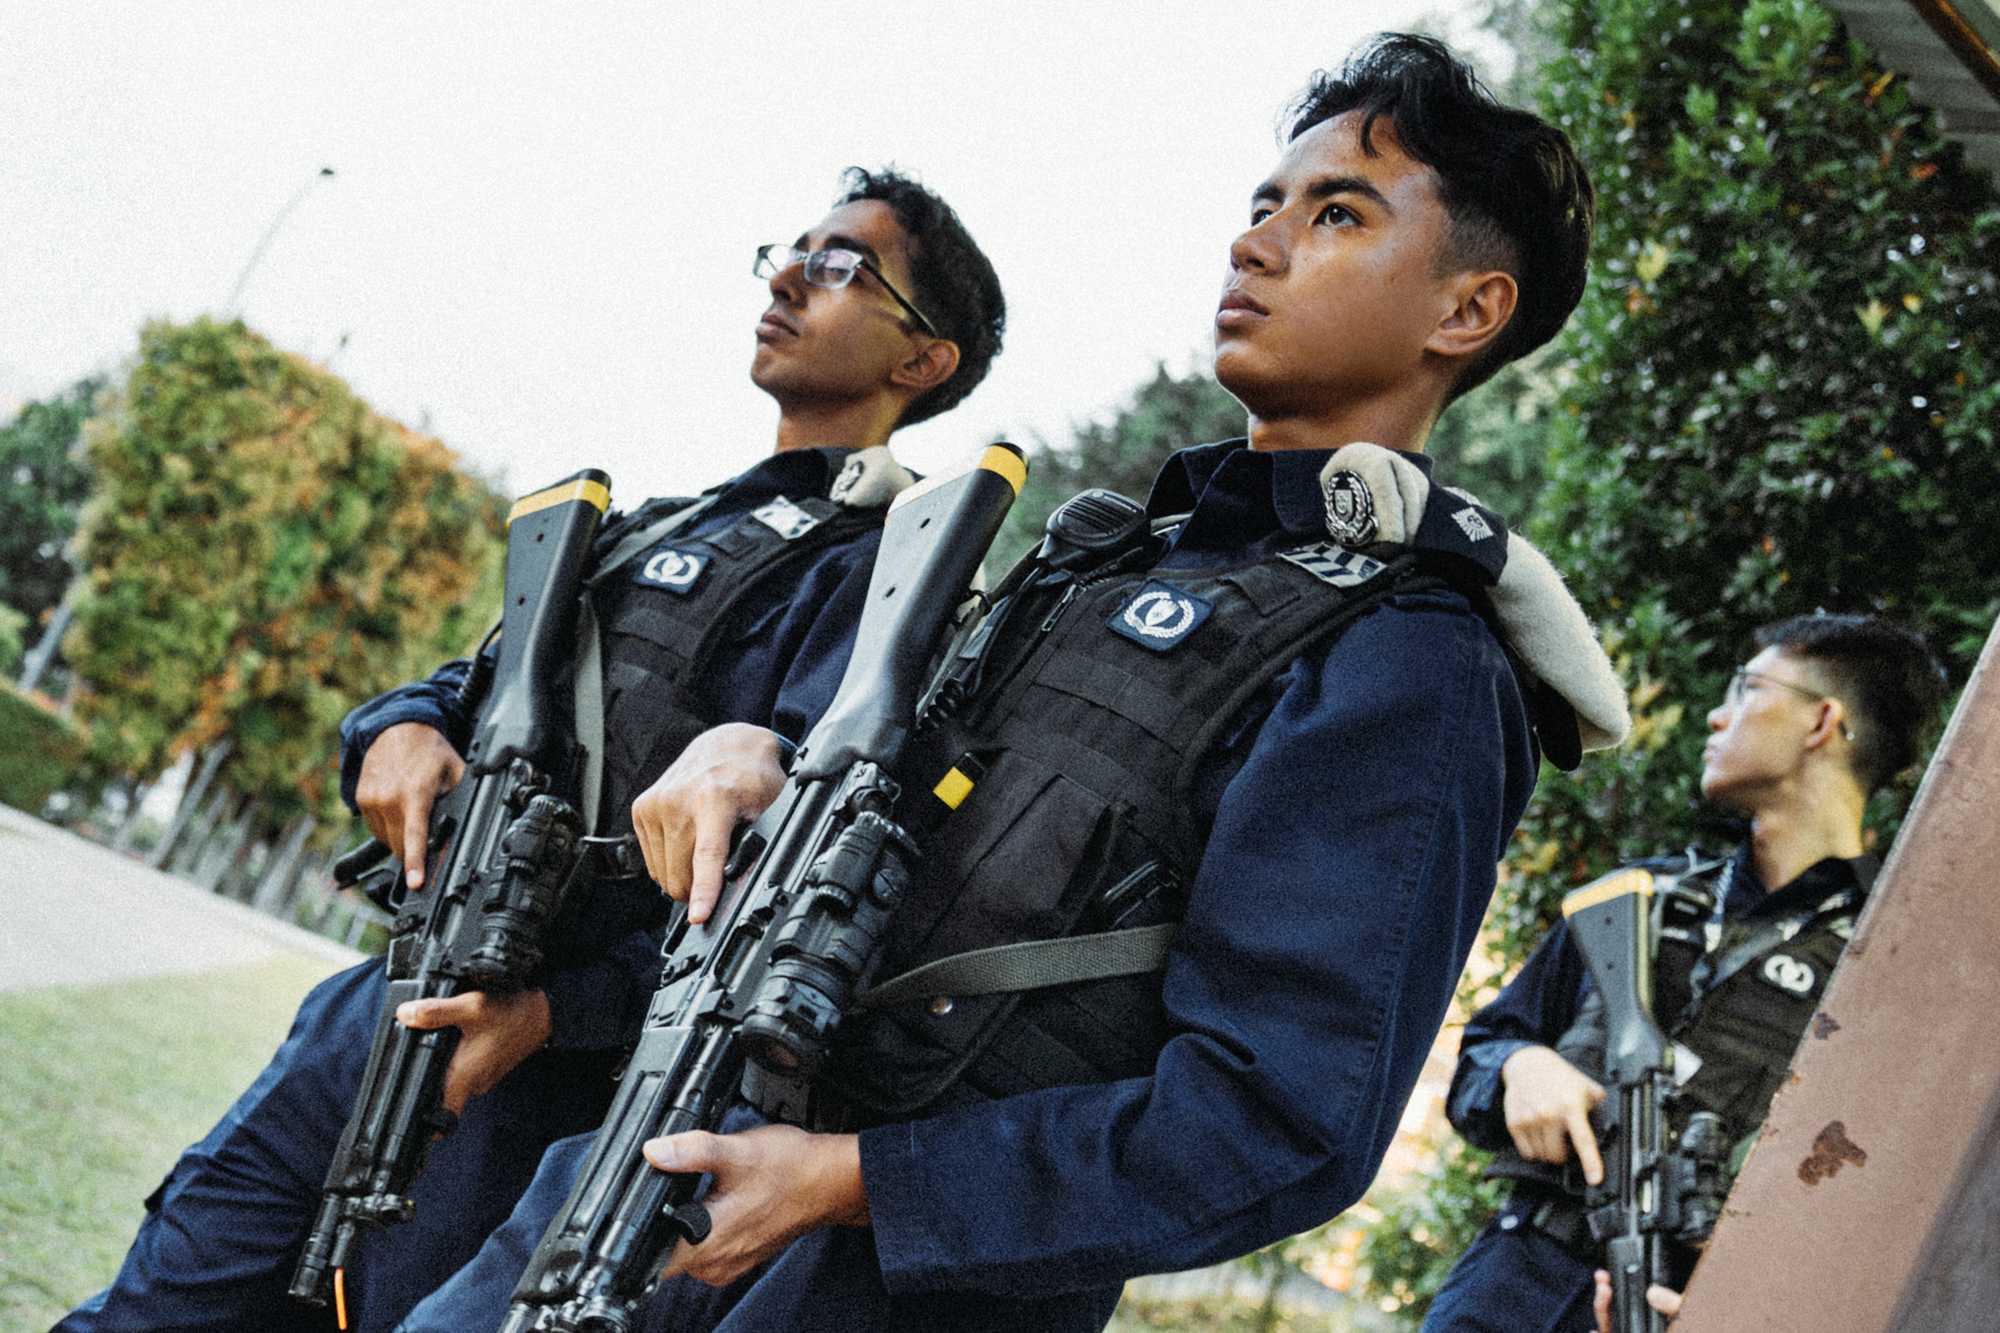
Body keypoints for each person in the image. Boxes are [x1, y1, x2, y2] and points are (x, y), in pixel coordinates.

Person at [396, 34, 1630, 1333]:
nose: (1255, 244)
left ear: (1464, 312)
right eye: (1262, 204)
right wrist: (756, 754)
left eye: (1336, 215)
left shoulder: (1411, 661)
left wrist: (855, 1182)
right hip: (663, 1153)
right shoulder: (1097, 558)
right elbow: (876, 816)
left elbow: (1276, 1119)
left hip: (895, 1284)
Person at [57, 165, 1006, 1333]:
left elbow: (795, 878)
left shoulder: (885, 586)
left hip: (531, 1083)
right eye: (789, 253)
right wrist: (399, 728)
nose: (786, 281)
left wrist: (557, 1012)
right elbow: (474, 683)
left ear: (922, 360)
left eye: (840, 266)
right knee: (150, 1305)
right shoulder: (656, 524)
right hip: (381, 1006)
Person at [1422, 613, 1947, 1333]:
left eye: (1747, 688)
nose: (1715, 714)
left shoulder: (1881, 972)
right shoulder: (1634, 901)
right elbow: (1479, 1058)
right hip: (1507, 1286)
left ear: (1822, 721)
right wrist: (1520, 1066)